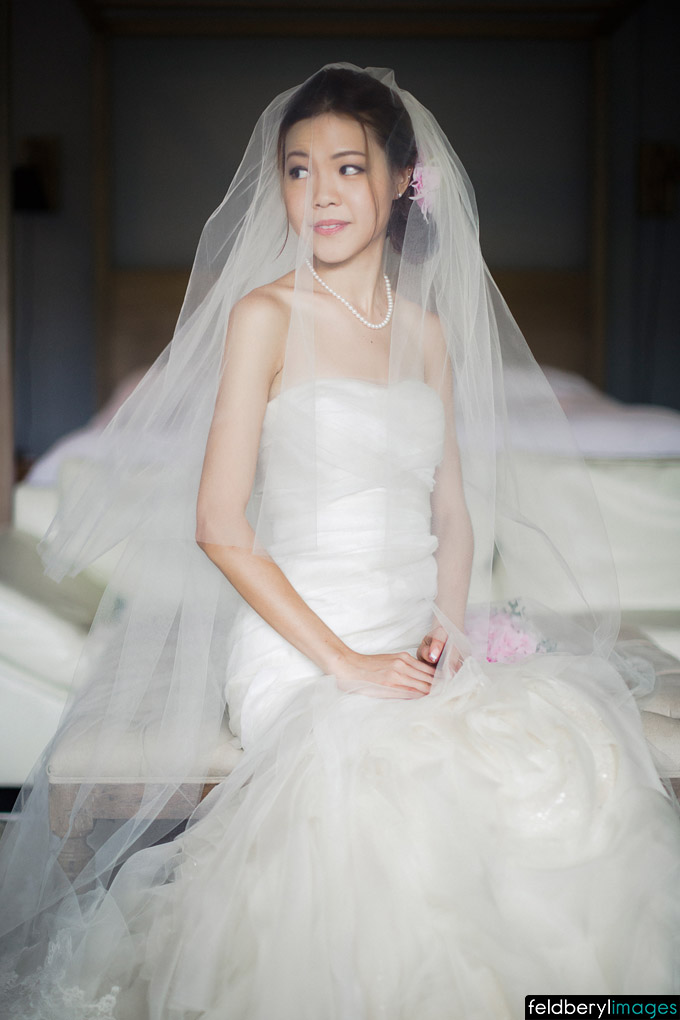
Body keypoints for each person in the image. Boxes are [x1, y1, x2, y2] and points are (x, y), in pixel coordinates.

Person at [1, 63, 679, 1019]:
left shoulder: (428, 334)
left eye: (348, 168)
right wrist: (348, 663)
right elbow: (218, 525)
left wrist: (447, 627)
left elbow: (452, 513)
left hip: (412, 630)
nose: (319, 194)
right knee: (394, 787)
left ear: (402, 181)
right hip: (303, 642)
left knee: (560, 763)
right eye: (298, 170)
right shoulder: (264, 317)